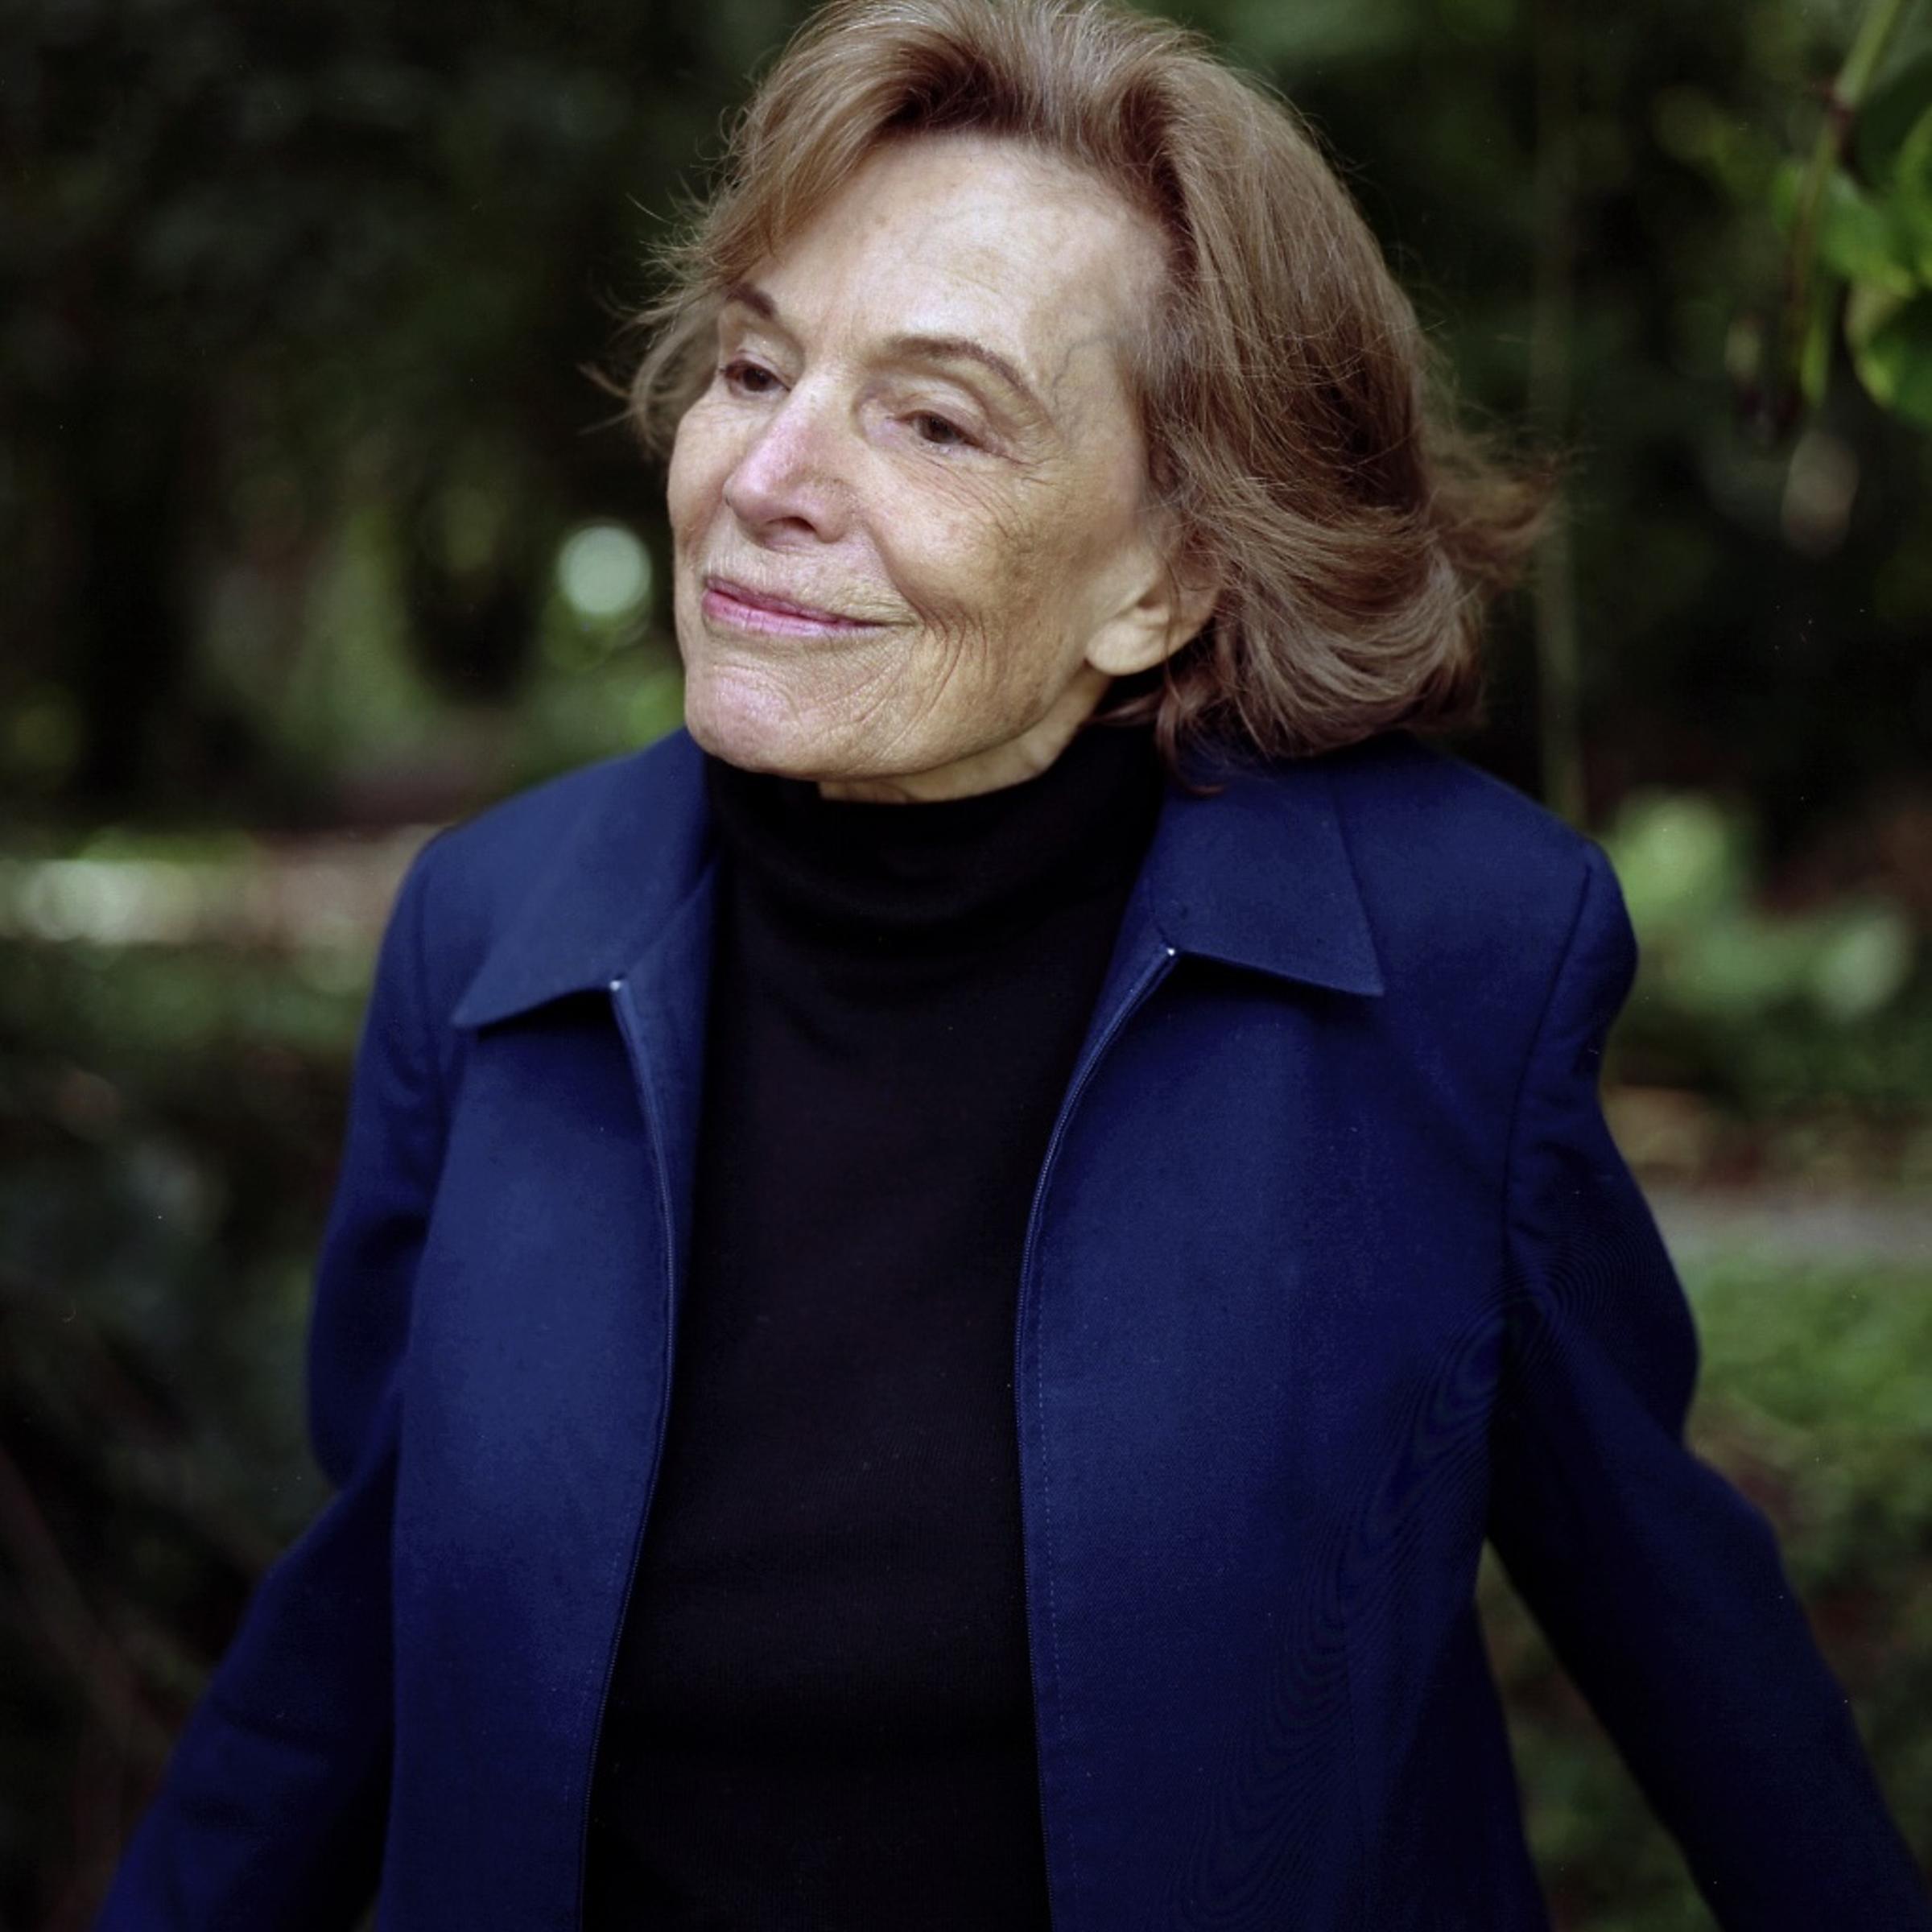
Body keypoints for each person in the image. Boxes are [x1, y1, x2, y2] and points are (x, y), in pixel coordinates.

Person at [99, 0, 1930, 1926]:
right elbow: (368, 1624)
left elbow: (1682, 1632)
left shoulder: (1456, 957)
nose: (768, 475)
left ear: (1172, 579)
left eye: (935, 417)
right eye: (753, 366)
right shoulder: (487, 933)